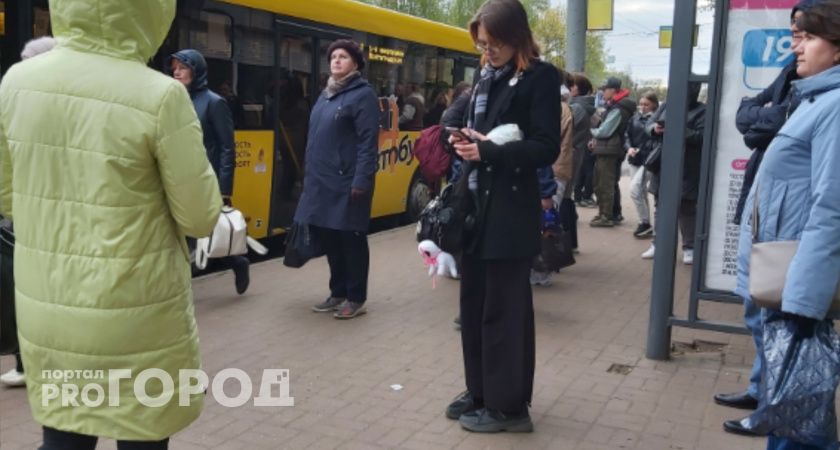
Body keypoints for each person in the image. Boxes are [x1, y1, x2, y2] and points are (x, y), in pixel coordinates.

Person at [0, 0, 222, 447]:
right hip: (138, 310)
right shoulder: (160, 95)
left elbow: (7, 193)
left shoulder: (16, 83)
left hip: (50, 303)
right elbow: (199, 215)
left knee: (64, 436)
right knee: (142, 435)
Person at [445, 0, 560, 433]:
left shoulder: (541, 77)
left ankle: (509, 406)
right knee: (473, 306)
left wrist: (489, 149)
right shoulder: (485, 76)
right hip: (475, 206)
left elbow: (546, 146)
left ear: (516, 38)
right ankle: (480, 392)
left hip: (510, 211)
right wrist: (462, 137)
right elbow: (480, 129)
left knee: (504, 312)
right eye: (481, 43)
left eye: (493, 44)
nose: (486, 51)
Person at [733, 4, 840, 447]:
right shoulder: (813, 98)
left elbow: (831, 208)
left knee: (799, 413)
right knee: (795, 405)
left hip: (795, 280)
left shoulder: (834, 107)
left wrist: (801, 298)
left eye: (808, 37)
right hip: (784, 271)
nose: (796, 45)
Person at [715, 1, 814, 438]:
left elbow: (765, 122)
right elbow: (748, 117)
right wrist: (769, 119)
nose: (795, 43)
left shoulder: (822, 93)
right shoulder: (791, 75)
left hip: (791, 226)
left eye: (805, 34)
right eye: (794, 32)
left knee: (778, 320)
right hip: (767, 213)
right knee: (758, 312)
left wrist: (767, 119)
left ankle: (774, 406)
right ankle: (761, 390)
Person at [294, 39, 379, 320]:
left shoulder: (362, 95)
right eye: (333, 56)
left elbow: (368, 142)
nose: (336, 61)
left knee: (350, 239)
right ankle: (338, 291)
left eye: (343, 57)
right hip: (322, 181)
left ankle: (356, 297)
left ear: (355, 63)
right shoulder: (326, 94)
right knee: (331, 238)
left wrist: (361, 180)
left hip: (348, 181)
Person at [0, 36, 58, 389]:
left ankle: (33, 360)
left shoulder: (22, 102)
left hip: (37, 216)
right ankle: (28, 359)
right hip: (31, 216)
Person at [169, 49, 251, 294]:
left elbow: (227, 147)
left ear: (196, 70)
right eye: (174, 68)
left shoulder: (214, 102)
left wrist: (224, 189)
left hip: (205, 179)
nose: (176, 72)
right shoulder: (173, 99)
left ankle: (237, 262)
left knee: (204, 232)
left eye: (182, 68)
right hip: (177, 177)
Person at [640, 82, 706, 265]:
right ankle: (658, 244)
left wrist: (678, 131)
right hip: (663, 163)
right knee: (660, 206)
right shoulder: (667, 105)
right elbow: (649, 123)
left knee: (686, 207)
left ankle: (689, 247)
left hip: (688, 165)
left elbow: (702, 137)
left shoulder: (703, 110)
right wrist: (655, 129)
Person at [531, 68, 575, 287]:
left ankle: (543, 269)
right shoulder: (562, 108)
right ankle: (543, 268)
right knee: (545, 223)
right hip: (555, 170)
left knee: (545, 225)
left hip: (553, 170)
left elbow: (544, 148)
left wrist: (546, 188)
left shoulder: (555, 110)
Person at [588, 77, 636, 227]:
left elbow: (605, 131)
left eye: (605, 89)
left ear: (613, 90)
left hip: (610, 149)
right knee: (604, 182)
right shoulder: (617, 106)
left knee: (605, 183)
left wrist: (590, 131)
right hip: (609, 148)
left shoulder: (617, 108)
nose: (602, 92)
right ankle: (608, 213)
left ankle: (606, 216)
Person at [625, 91, 659, 238]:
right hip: (635, 158)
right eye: (642, 104)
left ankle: (644, 222)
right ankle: (645, 222)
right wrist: (629, 148)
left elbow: (656, 140)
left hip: (648, 159)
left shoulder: (657, 120)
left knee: (635, 189)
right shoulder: (634, 118)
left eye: (647, 104)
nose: (643, 107)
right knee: (640, 191)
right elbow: (627, 135)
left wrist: (642, 149)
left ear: (654, 105)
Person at [570, 73, 597, 209]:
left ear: (578, 89)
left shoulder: (577, 108)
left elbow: (564, 130)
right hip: (575, 152)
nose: (568, 88)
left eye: (571, 85)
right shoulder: (582, 106)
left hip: (568, 153)